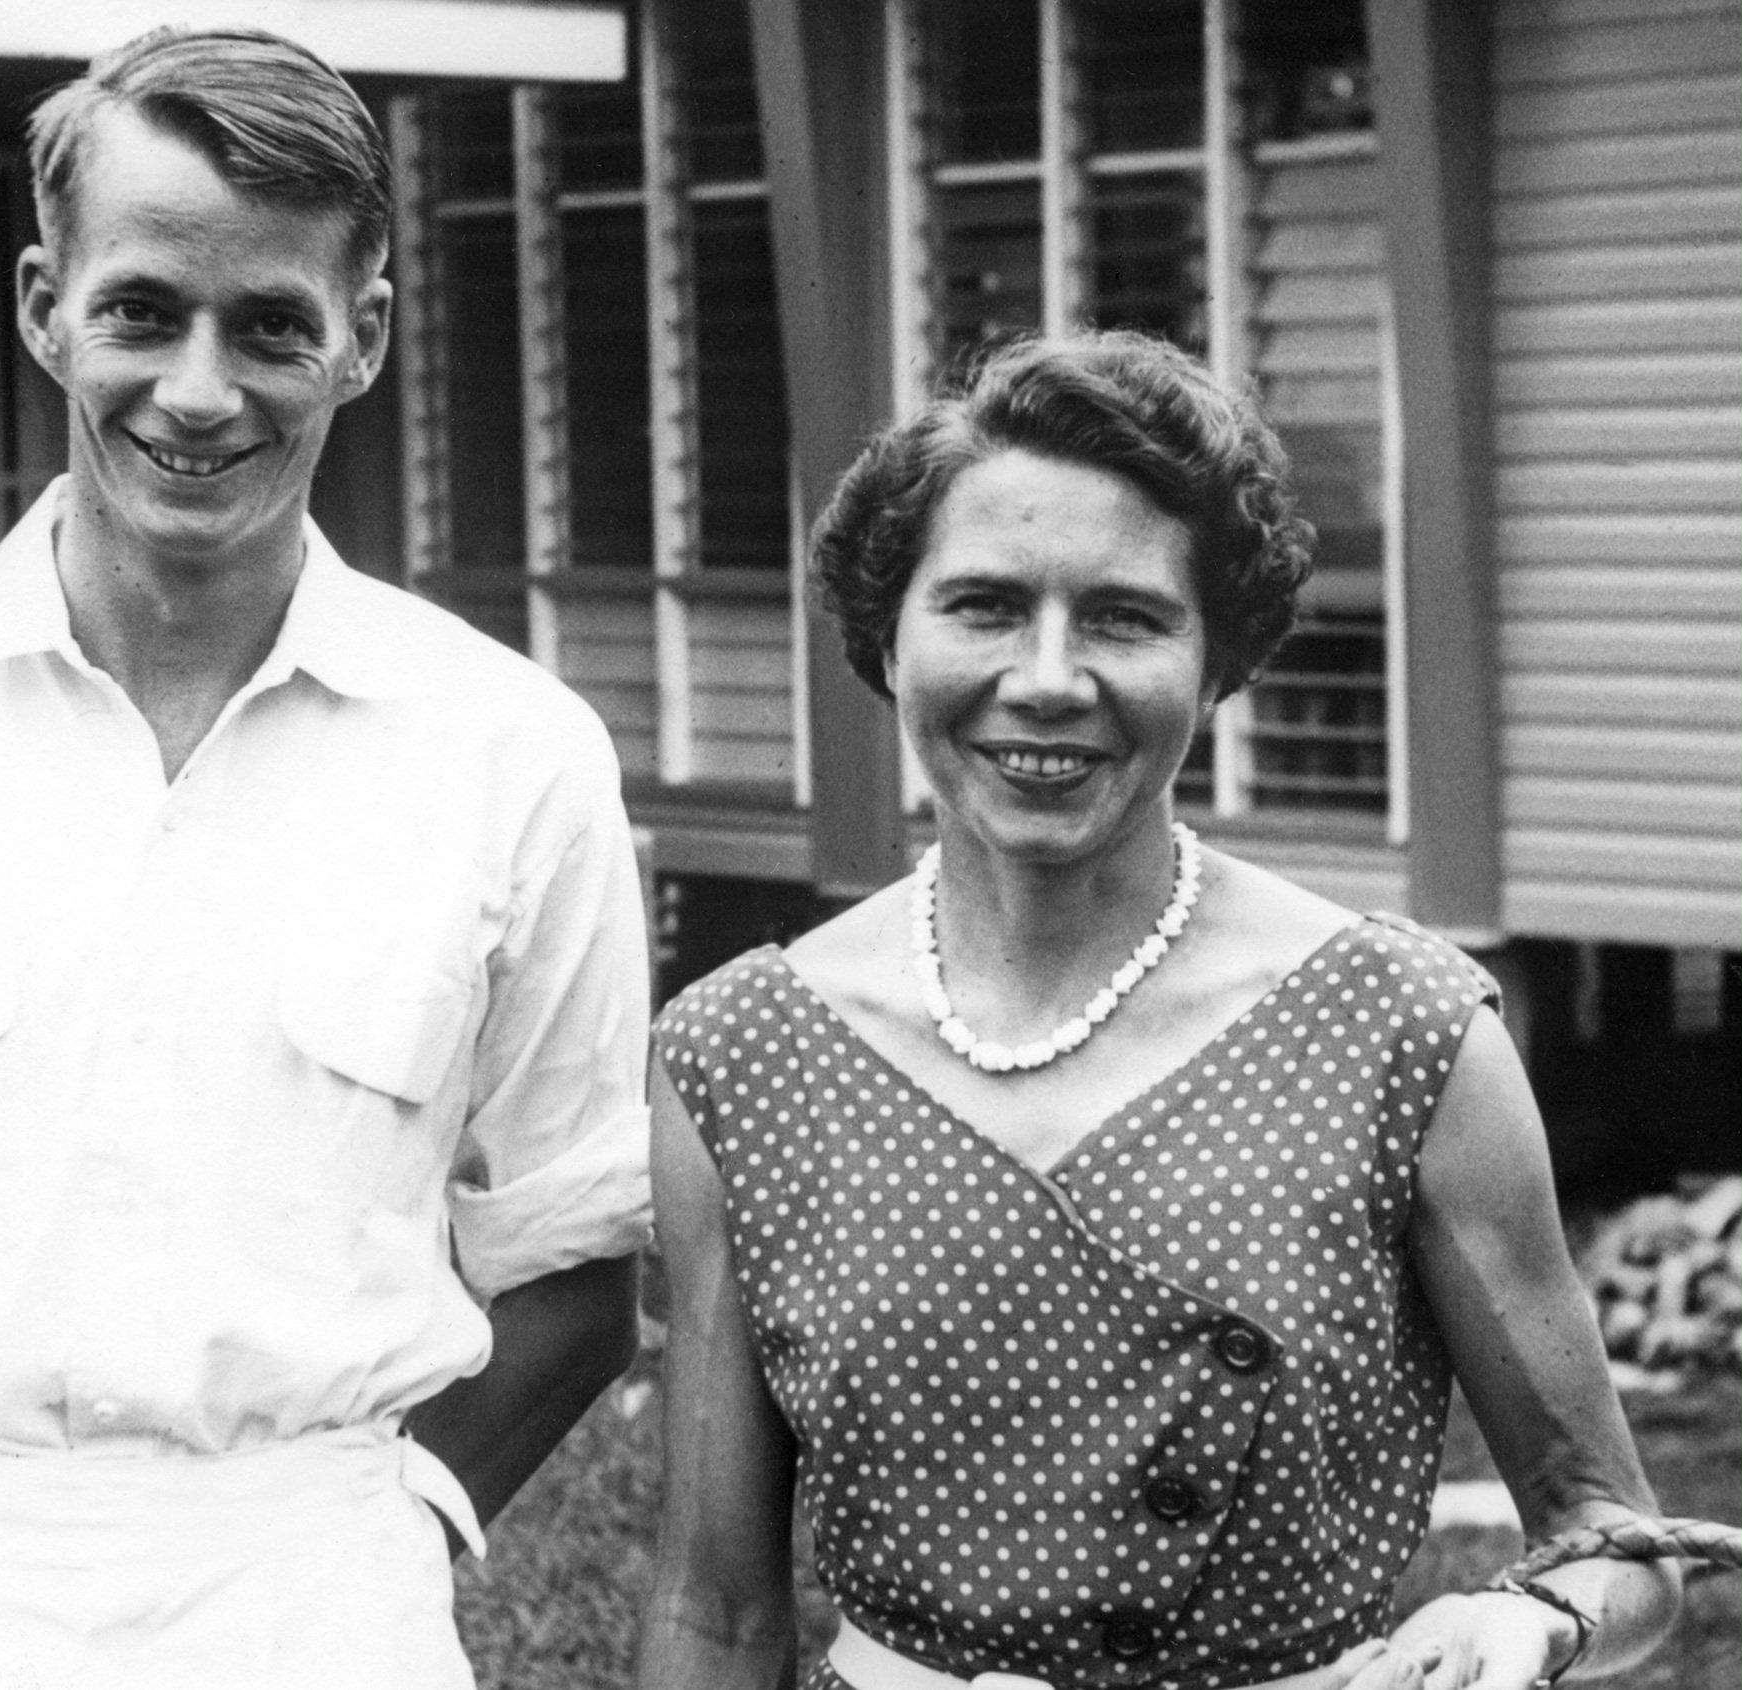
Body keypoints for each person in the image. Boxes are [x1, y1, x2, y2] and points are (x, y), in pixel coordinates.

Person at [0, 28, 651, 1690]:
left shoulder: (514, 749)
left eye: (272, 323)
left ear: (366, 339)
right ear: (47, 304)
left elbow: (577, 1264)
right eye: (141, 310)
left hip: (316, 1587)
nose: (199, 390)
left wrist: (394, 1525)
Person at [639, 331, 1680, 1690]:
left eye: (1126, 617)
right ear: (887, 636)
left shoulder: (1401, 1032)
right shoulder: (741, 1055)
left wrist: (1536, 1618)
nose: (1051, 677)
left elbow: (1615, 1538)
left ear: (1217, 656)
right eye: (986, 605)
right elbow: (715, 1608)